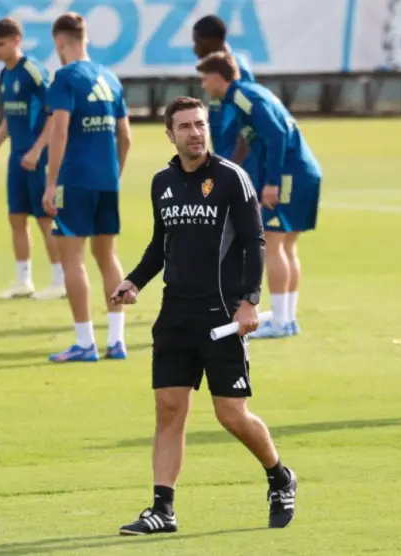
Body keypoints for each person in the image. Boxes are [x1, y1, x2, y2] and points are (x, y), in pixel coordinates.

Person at [112, 96, 297, 535]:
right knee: (169, 409)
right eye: (185, 127)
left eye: (200, 125)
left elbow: (255, 242)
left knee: (231, 414)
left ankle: (278, 475)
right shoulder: (162, 182)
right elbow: (162, 244)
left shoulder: (233, 178)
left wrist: (249, 300)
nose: (195, 133)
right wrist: (134, 281)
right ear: (170, 135)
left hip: (221, 318)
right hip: (175, 314)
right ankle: (163, 508)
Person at [196, 52, 323, 339]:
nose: (204, 86)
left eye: (205, 79)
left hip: (290, 172)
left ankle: (279, 321)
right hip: (303, 168)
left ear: (218, 77)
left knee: (273, 241)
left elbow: (277, 135)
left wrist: (273, 182)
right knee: (287, 246)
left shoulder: (242, 96)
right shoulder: (248, 94)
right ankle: (287, 320)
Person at [42, 12, 131, 363]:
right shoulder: (110, 78)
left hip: (75, 180)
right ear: (86, 38)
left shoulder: (64, 78)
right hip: (107, 180)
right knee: (107, 256)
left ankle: (84, 342)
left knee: (72, 260)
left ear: (59, 42)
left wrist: (51, 183)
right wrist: (116, 175)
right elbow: (126, 137)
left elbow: (59, 130)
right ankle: (117, 340)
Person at [0, 17, 66, 301]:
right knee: (16, 217)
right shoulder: (5, 75)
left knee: (44, 218)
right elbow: (11, 117)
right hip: (17, 156)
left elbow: (55, 113)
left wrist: (38, 149)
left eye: (1, 43)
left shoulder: (33, 71)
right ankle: (23, 281)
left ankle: (60, 280)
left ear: (17, 41)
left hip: (37, 158)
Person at [191, 15, 260, 186]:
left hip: (243, 164)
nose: (195, 49)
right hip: (225, 159)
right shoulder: (215, 69)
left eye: (198, 42)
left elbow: (250, 123)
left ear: (213, 42)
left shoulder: (237, 71)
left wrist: (233, 167)